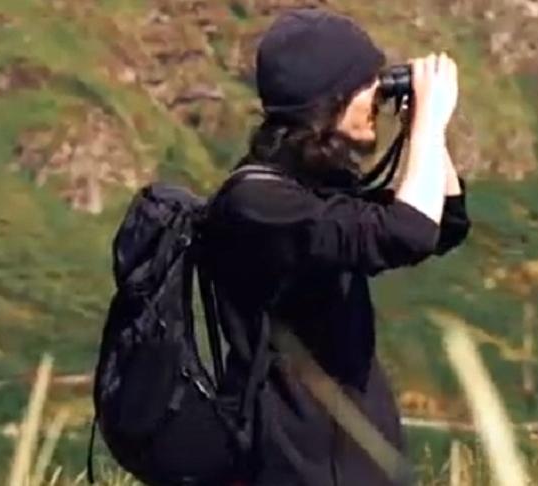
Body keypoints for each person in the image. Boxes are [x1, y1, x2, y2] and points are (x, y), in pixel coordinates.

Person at [198, 7, 470, 486]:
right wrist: (428, 123)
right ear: (327, 100)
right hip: (297, 462)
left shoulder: (312, 191)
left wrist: (421, 135)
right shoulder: (258, 203)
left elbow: (443, 223)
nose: (379, 98)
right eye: (368, 85)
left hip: (350, 458)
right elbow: (406, 232)